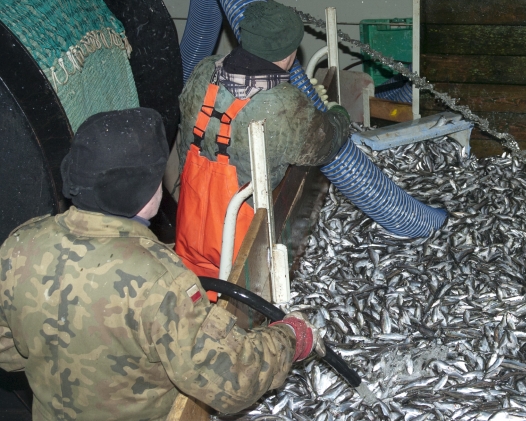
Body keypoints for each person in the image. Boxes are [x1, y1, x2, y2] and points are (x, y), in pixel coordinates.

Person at [0, 108, 324, 421]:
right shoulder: (158, 278)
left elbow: (7, 350)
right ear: (143, 190)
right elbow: (232, 379)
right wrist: (291, 338)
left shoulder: (20, 243)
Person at [175, 0, 350, 284]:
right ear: (291, 52)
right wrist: (339, 116)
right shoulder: (283, 104)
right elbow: (325, 146)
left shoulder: (203, 71)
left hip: (192, 219)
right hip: (241, 238)